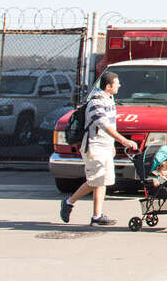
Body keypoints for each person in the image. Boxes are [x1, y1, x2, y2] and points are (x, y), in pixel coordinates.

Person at [59, 72, 138, 226]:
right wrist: (123, 140)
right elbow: (103, 125)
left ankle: (97, 216)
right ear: (108, 86)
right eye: (117, 83)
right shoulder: (96, 102)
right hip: (94, 146)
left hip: (105, 147)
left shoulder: (109, 100)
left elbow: (109, 126)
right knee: (95, 180)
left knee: (102, 181)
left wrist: (112, 146)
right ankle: (69, 202)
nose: (119, 85)